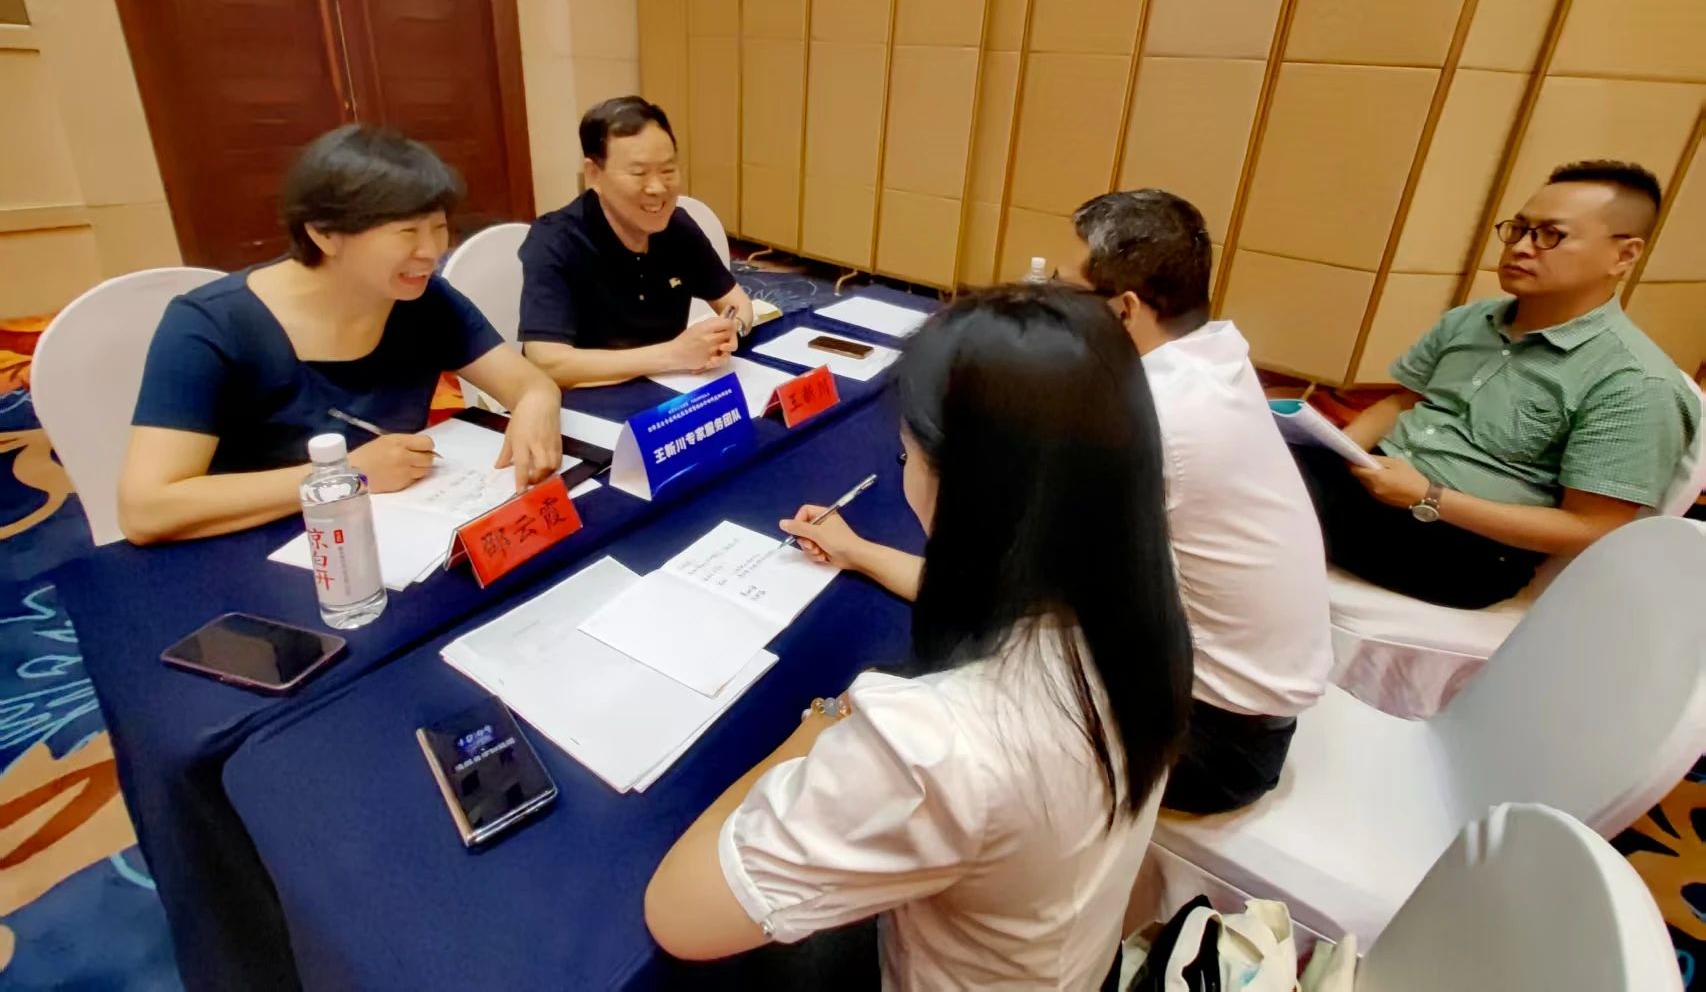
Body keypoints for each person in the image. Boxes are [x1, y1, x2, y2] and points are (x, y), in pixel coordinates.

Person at [645, 288, 1193, 990]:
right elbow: (1000, 590)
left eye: (907, 456)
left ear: (970, 491)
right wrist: (860, 551)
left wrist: (820, 727)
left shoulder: (936, 745)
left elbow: (679, 913)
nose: (905, 473)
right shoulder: (1135, 589)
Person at [119, 126, 563, 545]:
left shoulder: (424, 300)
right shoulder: (210, 324)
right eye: (407, 232)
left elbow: (528, 384)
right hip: (262, 547)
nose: (432, 251)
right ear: (324, 233)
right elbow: (145, 510)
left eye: (439, 227)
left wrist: (536, 403)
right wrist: (345, 475)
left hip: (393, 532)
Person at [1294, 159, 1701, 608]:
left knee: (1261, 493)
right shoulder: (1471, 320)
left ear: (1624, 255)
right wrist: (1340, 449)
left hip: (1465, 546)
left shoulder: (1635, 382)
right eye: (1518, 229)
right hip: (1375, 484)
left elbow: (1592, 528)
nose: (1522, 248)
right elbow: (1402, 402)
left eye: (1550, 235)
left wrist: (1429, 496)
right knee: (1252, 453)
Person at [1055, 190, 1330, 813]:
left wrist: (864, 553)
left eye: (1068, 294)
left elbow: (1036, 580)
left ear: (1125, 309)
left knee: (966, 702)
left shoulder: (1151, 415)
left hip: (1210, 741)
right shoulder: (1213, 353)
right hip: (1249, 707)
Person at [519, 96, 753, 386]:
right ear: (594, 175)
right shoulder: (555, 240)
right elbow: (547, 361)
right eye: (639, 173)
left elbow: (737, 302)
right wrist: (673, 355)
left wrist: (732, 328)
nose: (657, 188)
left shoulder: (677, 227)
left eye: (668, 171)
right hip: (585, 400)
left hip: (666, 389)